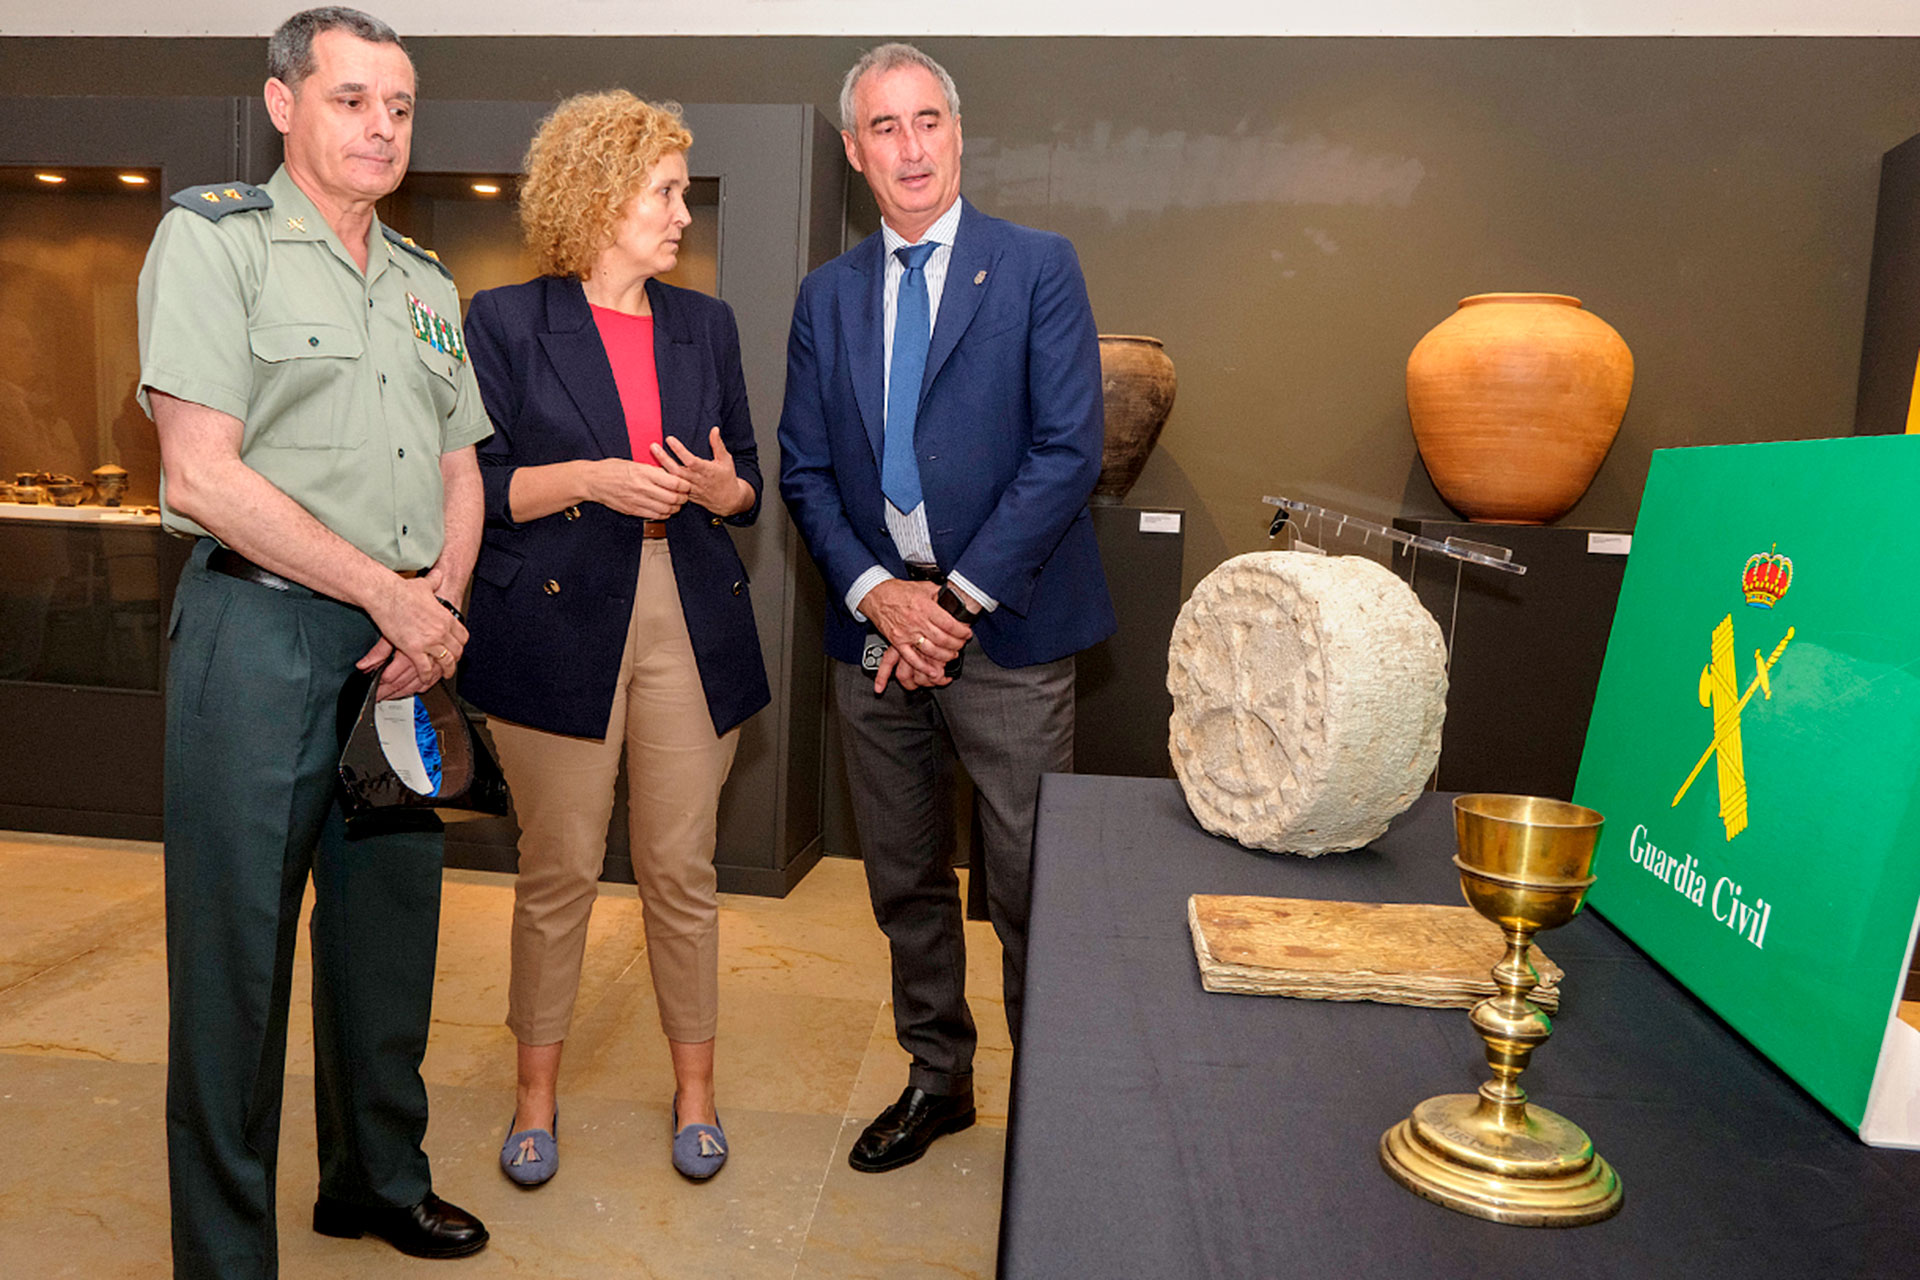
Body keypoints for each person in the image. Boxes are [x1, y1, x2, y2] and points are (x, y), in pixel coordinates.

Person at [135, 7, 490, 1275]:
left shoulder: (426, 278)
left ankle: (377, 1179)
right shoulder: (214, 240)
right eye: (351, 100)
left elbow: (462, 462)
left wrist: (435, 600)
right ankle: (227, 1252)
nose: (381, 126)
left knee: (388, 939)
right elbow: (203, 474)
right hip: (260, 635)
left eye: (398, 106)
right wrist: (388, 597)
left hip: (402, 654)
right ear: (283, 104)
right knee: (235, 966)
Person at [777, 42, 1116, 1173]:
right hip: (874, 643)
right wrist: (880, 596)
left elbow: (1071, 450)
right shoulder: (826, 296)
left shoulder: (1037, 267)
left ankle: (1053, 1105)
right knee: (904, 877)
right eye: (886, 126)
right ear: (853, 149)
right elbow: (805, 471)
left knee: (1028, 886)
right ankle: (939, 1079)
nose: (911, 146)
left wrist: (951, 603)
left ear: (959, 134)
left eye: (928, 121)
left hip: (1007, 635)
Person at [457, 90, 770, 1186]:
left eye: (683, 191)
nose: (683, 213)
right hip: (551, 621)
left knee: (683, 868)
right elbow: (481, 486)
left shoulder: (706, 325)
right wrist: (592, 476)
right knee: (558, 872)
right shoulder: (502, 322)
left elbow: (749, 489)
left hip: (687, 613)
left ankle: (696, 1093)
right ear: (600, 195)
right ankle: (533, 1099)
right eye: (666, 191)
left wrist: (722, 486)